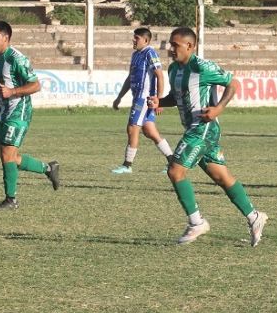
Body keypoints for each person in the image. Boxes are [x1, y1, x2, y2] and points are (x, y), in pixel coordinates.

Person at [150, 27, 268, 246]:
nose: (170, 49)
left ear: (190, 46)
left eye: (175, 45)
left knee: (175, 170)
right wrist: (160, 102)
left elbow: (233, 84)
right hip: (192, 128)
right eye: (170, 44)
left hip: (203, 127)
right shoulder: (174, 69)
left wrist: (218, 108)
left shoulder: (203, 67)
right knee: (221, 177)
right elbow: (177, 97)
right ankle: (254, 216)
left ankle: (197, 223)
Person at [0, 20, 60, 210]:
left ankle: (11, 200)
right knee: (9, 157)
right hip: (4, 111)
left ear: (6, 38)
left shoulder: (17, 59)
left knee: (8, 154)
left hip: (19, 111)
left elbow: (35, 85)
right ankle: (48, 168)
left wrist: (13, 92)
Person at [111, 28, 173, 174]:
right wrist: (119, 97)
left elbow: (159, 75)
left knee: (133, 128)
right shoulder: (136, 55)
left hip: (144, 99)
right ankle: (172, 162)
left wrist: (159, 99)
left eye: (136, 38)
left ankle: (127, 165)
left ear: (145, 40)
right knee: (150, 131)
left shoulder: (149, 53)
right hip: (138, 98)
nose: (133, 40)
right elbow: (129, 78)